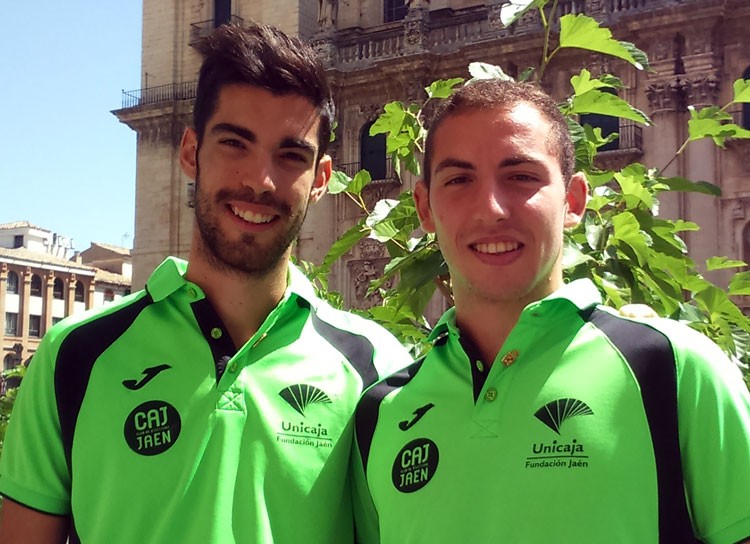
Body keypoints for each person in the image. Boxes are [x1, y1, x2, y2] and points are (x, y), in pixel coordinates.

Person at [0, 23, 411, 544]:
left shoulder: (377, 369)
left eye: (291, 156)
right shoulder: (75, 354)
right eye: (235, 143)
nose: (260, 181)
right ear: (191, 152)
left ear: (323, 177)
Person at [351, 79, 750, 543]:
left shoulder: (673, 369)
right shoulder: (381, 412)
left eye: (521, 176)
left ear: (573, 201)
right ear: (424, 206)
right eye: (459, 180)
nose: (491, 208)